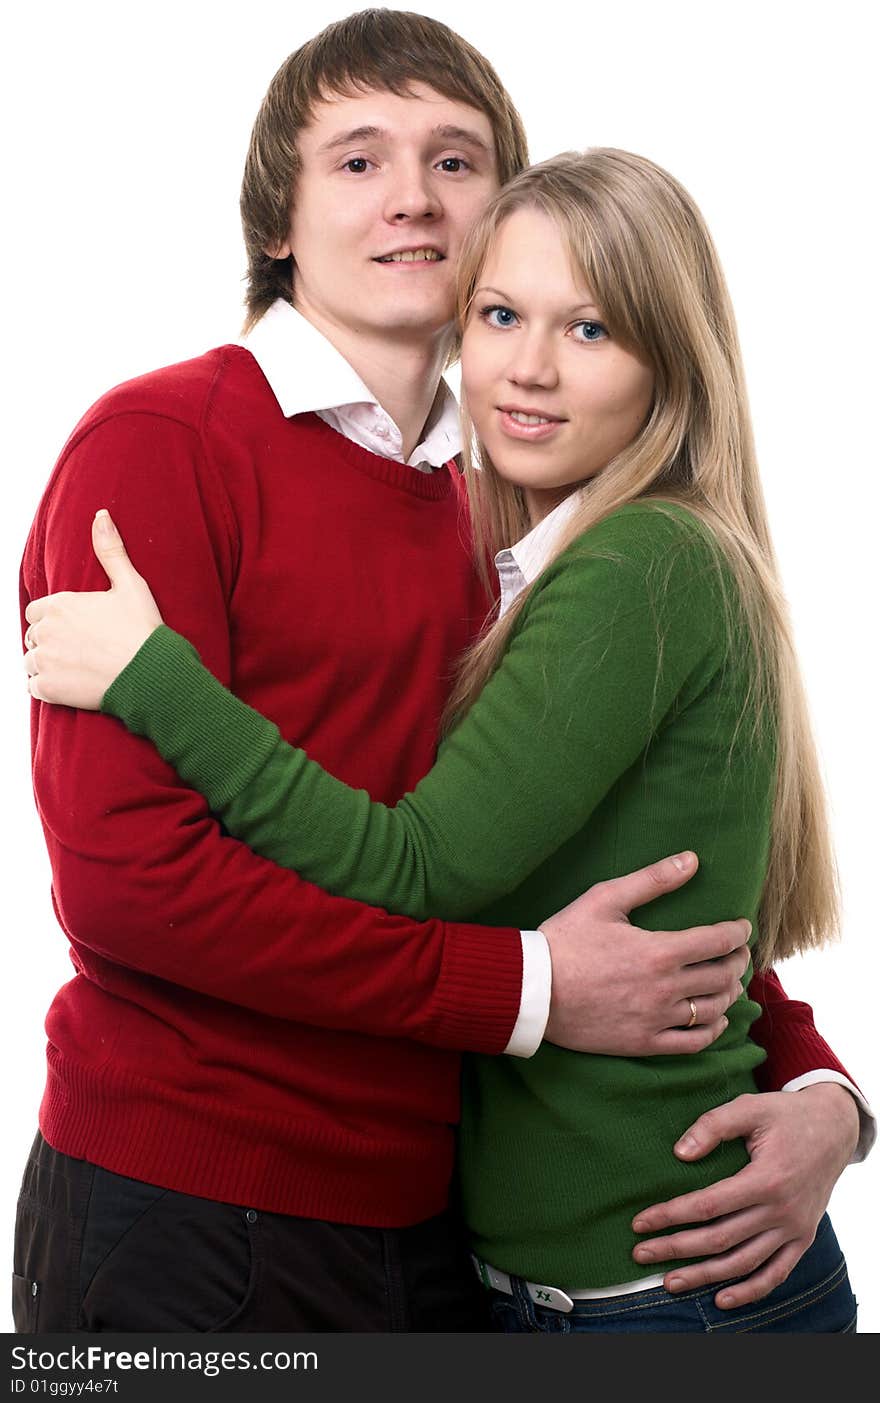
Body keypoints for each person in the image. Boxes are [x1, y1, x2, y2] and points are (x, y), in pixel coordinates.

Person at [17, 12, 867, 1333]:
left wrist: (826, 1096)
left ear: (508, 215)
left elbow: (628, 868)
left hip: (450, 1230)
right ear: (277, 220)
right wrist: (523, 991)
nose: (412, 195)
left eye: (455, 161)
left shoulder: (533, 503)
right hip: (194, 1204)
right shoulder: (156, 445)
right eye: (358, 160)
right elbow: (133, 887)